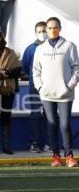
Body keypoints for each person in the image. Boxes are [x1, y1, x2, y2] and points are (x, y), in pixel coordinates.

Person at [33, 17, 79, 167]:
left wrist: (70, 86)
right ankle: (56, 156)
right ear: (46, 30)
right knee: (51, 124)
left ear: (60, 28)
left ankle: (69, 156)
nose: (52, 30)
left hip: (65, 94)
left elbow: (76, 68)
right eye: (50, 28)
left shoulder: (69, 46)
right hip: (47, 95)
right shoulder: (40, 49)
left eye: (55, 27)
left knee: (65, 125)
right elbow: (36, 71)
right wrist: (40, 87)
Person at [22, 21, 50, 153]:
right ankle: (34, 143)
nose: (42, 34)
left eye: (44, 31)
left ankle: (49, 143)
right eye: (39, 31)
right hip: (35, 87)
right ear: (35, 33)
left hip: (51, 87)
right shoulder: (30, 49)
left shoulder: (55, 47)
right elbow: (25, 68)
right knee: (35, 114)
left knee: (49, 115)